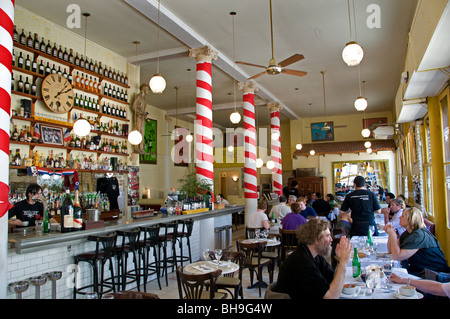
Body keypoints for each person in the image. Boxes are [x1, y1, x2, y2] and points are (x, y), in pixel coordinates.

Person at [276, 218, 352, 299]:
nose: (331, 239)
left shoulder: (315, 256)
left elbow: (333, 279)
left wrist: (340, 260)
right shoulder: (302, 262)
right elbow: (331, 297)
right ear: (316, 240)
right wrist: (343, 263)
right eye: (327, 236)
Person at [385, 207, 450, 277]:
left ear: (411, 219)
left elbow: (397, 257)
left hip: (434, 274)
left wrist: (393, 234)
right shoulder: (409, 232)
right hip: (419, 270)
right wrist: (391, 234)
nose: (400, 217)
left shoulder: (419, 235)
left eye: (403, 216)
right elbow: (391, 251)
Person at [130, 84, 151, 154]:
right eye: (147, 89)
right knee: (137, 131)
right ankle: (136, 147)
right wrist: (140, 112)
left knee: (142, 133)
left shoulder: (144, 98)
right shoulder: (138, 96)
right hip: (138, 116)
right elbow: (133, 107)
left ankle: (141, 148)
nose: (148, 91)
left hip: (142, 117)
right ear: (143, 89)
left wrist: (145, 114)